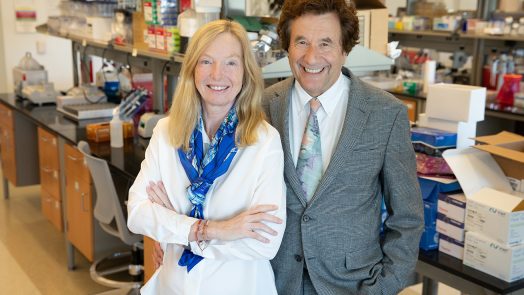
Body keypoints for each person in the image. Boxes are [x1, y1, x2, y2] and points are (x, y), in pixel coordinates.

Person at [153, 0, 424, 293]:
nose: (311, 56)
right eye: (302, 42)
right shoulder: (259, 107)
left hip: (354, 285)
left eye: (325, 43)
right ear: (287, 47)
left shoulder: (385, 113)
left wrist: (383, 287)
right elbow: (215, 185)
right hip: (272, 280)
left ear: (345, 49)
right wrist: (174, 232)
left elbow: (407, 218)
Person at [127, 19, 286, 295]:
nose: (217, 74)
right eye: (206, 61)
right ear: (192, 69)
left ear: (246, 72)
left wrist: (174, 227)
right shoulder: (166, 132)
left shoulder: (264, 141)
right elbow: (137, 213)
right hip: (174, 286)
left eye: (231, 63)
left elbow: (265, 244)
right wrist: (218, 230)